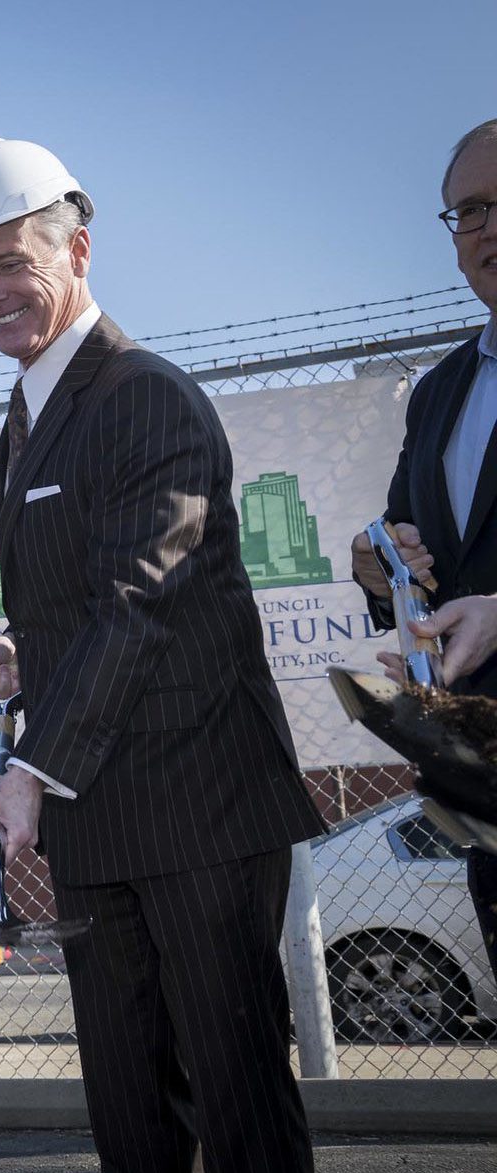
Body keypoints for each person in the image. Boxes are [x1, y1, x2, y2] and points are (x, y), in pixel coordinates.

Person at [0, 137, 325, 1173]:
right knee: (130, 1122)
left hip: (198, 815)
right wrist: (28, 649)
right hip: (98, 822)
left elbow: (139, 599)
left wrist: (27, 768)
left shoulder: (142, 394)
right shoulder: (26, 416)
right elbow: (95, 596)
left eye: (9, 262)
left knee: (236, 1104)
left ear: (78, 249)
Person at [351, 117, 497, 983]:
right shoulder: (442, 391)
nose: (488, 229)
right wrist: (384, 571)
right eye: (468, 211)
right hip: (484, 793)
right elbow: (417, 547)